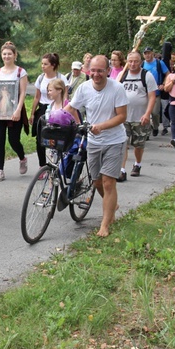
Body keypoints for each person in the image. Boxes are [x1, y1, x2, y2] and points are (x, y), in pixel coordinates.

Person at [65, 55, 127, 237]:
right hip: (93, 141)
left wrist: (101, 126)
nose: (96, 74)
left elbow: (122, 116)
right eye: (93, 70)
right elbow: (71, 107)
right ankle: (112, 204)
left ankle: (105, 225)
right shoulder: (84, 88)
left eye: (100, 70)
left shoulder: (117, 88)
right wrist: (56, 118)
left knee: (108, 182)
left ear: (108, 71)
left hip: (114, 140)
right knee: (96, 181)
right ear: (88, 71)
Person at [0, 41, 29, 182]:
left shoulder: (20, 72)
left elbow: (23, 93)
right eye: (4, 54)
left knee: (13, 140)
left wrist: (18, 110)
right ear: (1, 55)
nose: (7, 56)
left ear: (15, 55)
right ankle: (0, 170)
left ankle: (22, 157)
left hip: (14, 110)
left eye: (9, 54)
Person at [117, 50, 156, 179]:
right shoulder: (123, 75)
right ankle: (122, 170)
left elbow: (152, 97)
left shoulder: (147, 76)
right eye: (130, 61)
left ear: (141, 62)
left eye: (136, 61)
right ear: (127, 62)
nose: (133, 64)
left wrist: (147, 114)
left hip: (140, 118)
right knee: (123, 144)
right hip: (123, 117)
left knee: (138, 145)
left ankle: (137, 164)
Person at [30, 53, 68, 167]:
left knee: (55, 137)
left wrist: (64, 111)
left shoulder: (61, 78)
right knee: (39, 139)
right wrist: (32, 114)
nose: (42, 66)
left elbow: (65, 97)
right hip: (42, 109)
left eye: (45, 64)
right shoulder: (41, 78)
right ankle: (43, 165)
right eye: (42, 63)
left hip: (57, 109)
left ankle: (57, 163)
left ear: (53, 65)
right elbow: (37, 97)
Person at [141, 46, 170, 136]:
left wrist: (164, 84)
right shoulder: (142, 64)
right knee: (144, 113)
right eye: (146, 54)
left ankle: (156, 126)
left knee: (154, 112)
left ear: (152, 53)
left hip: (156, 92)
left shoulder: (159, 63)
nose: (148, 55)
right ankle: (147, 130)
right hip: (144, 92)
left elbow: (168, 74)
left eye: (149, 53)